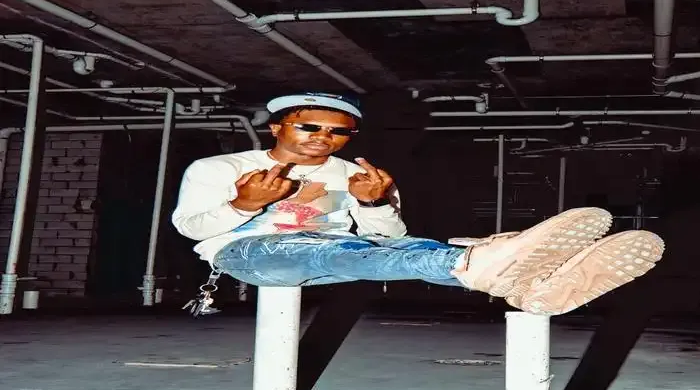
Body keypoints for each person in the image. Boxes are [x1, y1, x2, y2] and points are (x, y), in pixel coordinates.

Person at [171, 92, 665, 315]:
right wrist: (242, 206)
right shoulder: (220, 167)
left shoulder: (357, 174)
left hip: (342, 255)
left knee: (398, 248)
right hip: (247, 254)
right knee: (334, 250)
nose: (324, 137)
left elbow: (388, 237)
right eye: (309, 126)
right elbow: (191, 228)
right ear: (277, 126)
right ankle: (482, 261)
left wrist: (373, 203)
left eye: (338, 132)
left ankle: (536, 284)